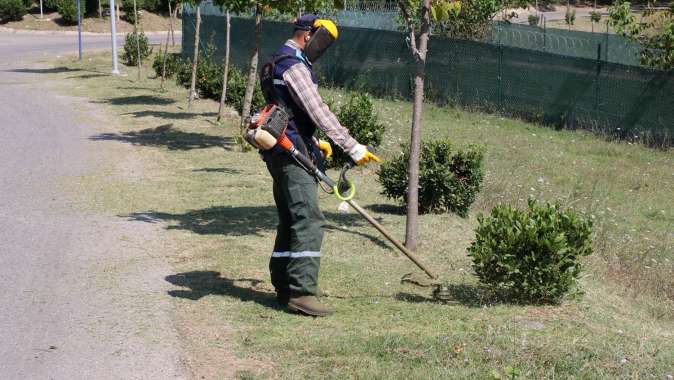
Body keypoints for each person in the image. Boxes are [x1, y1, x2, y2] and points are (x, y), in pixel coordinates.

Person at [259, 14, 380, 317]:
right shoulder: (294, 67)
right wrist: (351, 146)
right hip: (290, 154)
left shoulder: (274, 62)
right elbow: (318, 112)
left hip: (280, 150)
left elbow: (286, 111)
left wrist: (314, 144)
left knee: (291, 218)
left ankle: (283, 286)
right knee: (309, 219)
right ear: (307, 36)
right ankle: (301, 292)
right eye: (322, 42)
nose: (320, 50)